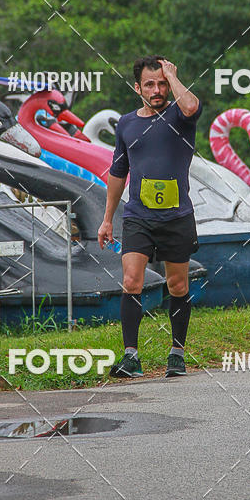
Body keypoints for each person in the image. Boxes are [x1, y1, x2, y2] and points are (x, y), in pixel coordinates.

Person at [98, 56, 202, 378]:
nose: (156, 90)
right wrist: (106, 219)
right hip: (138, 216)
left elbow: (191, 106)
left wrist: (173, 77)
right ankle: (131, 356)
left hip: (177, 216)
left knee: (178, 284)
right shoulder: (127, 124)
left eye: (161, 83)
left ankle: (177, 352)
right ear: (137, 88)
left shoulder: (180, 116)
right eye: (150, 84)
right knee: (131, 280)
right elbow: (118, 172)